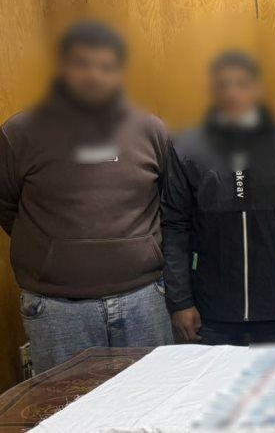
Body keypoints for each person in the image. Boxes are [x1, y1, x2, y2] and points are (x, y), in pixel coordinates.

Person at [0, 21, 173, 373]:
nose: (94, 75)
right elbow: (6, 206)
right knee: (69, 404)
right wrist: (56, 253)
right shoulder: (18, 134)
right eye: (81, 63)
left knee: (154, 401)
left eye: (106, 66)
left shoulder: (152, 130)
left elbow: (168, 204)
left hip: (144, 301)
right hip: (57, 311)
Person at [162, 51, 275, 345]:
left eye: (241, 84)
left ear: (258, 89)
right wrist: (180, 301)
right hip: (211, 313)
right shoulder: (187, 148)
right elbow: (174, 226)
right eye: (223, 85)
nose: (232, 93)